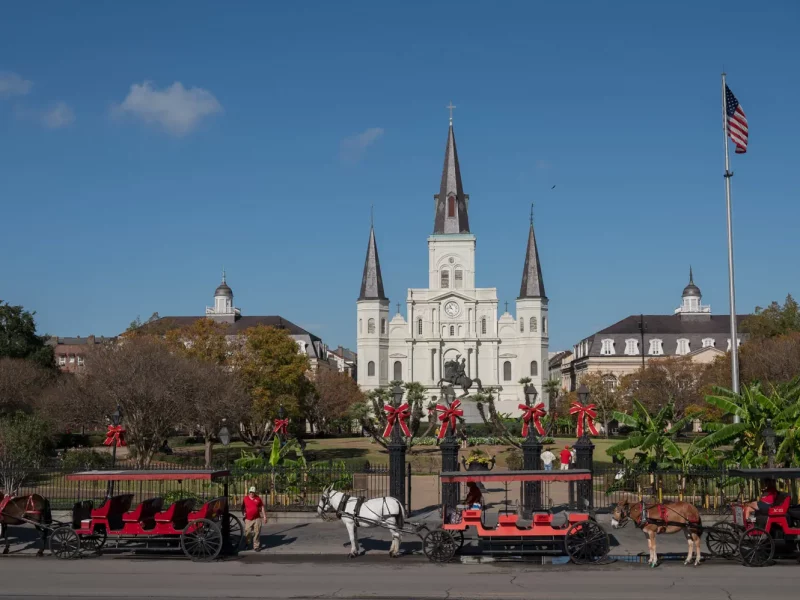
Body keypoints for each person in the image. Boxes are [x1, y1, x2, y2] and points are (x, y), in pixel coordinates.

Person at [241, 486, 267, 552]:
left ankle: (256, 546)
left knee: (257, 532)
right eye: (251, 492)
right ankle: (247, 543)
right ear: (249, 492)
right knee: (248, 532)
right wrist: (243, 513)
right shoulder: (245, 499)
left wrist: (264, 516)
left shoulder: (258, 498)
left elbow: (262, 507)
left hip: (257, 518)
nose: (252, 493)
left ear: (255, 492)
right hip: (248, 519)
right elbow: (242, 507)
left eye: (253, 492)